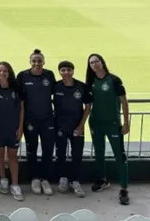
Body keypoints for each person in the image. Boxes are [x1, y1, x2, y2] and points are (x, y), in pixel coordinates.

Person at [85, 53, 131, 205]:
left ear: (102, 62)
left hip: (113, 124)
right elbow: (88, 103)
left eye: (96, 61)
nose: (94, 64)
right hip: (96, 123)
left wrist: (126, 123)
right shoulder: (90, 82)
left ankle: (124, 188)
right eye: (91, 63)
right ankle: (102, 180)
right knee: (99, 153)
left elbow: (124, 102)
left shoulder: (114, 80)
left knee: (120, 155)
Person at [17, 49, 57, 196]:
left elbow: (55, 93)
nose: (37, 63)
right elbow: (19, 99)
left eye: (39, 61)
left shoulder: (49, 75)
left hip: (47, 119)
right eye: (34, 61)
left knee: (48, 149)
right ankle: (34, 178)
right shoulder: (22, 76)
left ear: (43, 62)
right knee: (31, 150)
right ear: (30, 62)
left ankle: (45, 179)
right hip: (30, 119)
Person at [0, 61, 24, 201]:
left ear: (9, 73)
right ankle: (3, 180)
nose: (2, 73)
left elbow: (22, 109)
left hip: (13, 128)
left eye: (5, 71)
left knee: (13, 156)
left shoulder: (17, 88)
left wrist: (20, 127)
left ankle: (15, 184)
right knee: (0, 154)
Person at [53, 60, 91, 198]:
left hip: (77, 126)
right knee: (60, 153)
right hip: (60, 126)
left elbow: (88, 106)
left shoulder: (82, 86)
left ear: (73, 71)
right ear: (59, 72)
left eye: (69, 70)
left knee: (77, 154)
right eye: (63, 70)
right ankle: (63, 178)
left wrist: (81, 125)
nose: (66, 72)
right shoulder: (55, 86)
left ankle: (75, 181)